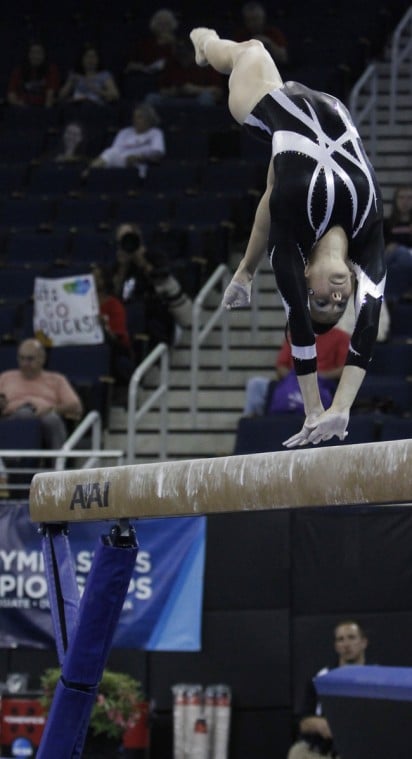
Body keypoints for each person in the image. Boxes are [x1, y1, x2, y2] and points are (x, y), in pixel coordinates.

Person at [189, 28, 386, 447]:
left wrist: (315, 408)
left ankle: (202, 41)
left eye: (320, 301)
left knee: (250, 50)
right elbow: (366, 330)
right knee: (274, 191)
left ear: (304, 273)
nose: (335, 297)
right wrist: (342, 408)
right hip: (318, 113)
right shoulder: (366, 235)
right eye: (339, 303)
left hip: (269, 107)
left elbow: (298, 322)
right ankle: (242, 270)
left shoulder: (289, 244)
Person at [287, 620, 368, 759]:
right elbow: (302, 721)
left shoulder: (376, 678)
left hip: (360, 747)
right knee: (298, 751)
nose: (346, 644)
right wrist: (318, 724)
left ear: (363, 643)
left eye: (351, 637)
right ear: (336, 646)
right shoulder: (320, 678)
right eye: (341, 639)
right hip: (322, 748)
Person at [244, 327, 350, 416]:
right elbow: (281, 367)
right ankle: (252, 426)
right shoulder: (295, 334)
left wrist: (316, 377)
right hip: (294, 381)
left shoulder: (341, 336)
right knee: (255, 384)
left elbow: (345, 369)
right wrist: (299, 378)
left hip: (322, 384)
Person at [0, 339, 83, 449]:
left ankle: (59, 461)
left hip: (45, 417)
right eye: (21, 358)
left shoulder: (56, 379)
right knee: (25, 414)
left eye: (30, 359)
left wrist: (53, 409)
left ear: (42, 359)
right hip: (12, 418)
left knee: (52, 419)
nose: (25, 363)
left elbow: (76, 406)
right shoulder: (6, 377)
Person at [86, 103, 165, 179]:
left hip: (139, 163)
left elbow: (158, 151)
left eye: (139, 117)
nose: (135, 120)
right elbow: (116, 149)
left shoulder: (155, 132)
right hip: (120, 160)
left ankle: (89, 173)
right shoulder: (125, 132)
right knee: (110, 152)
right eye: (134, 117)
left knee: (110, 154)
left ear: (148, 119)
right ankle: (91, 172)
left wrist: (139, 157)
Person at [145, 39, 224, 108]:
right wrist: (173, 91)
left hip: (197, 100)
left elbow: (218, 91)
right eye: (180, 54)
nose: (183, 57)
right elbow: (162, 89)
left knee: (206, 98)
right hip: (173, 100)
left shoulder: (206, 64)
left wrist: (196, 89)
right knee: (151, 98)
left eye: (186, 54)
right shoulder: (171, 64)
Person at [92, 264, 134, 384]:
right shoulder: (80, 304)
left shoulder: (114, 305)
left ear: (105, 281)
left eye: (97, 277)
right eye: (91, 277)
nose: (93, 280)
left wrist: (104, 326)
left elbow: (118, 337)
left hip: (112, 348)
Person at [7, 40, 60, 108]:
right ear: (28, 54)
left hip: (43, 109)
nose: (36, 56)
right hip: (22, 109)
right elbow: (11, 93)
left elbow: (50, 95)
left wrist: (45, 114)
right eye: (33, 53)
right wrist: (18, 105)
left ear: (44, 55)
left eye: (39, 53)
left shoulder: (51, 70)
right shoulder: (18, 71)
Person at [235, 1, 288, 66]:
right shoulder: (241, 35)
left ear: (263, 18)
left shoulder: (273, 32)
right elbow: (235, 62)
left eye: (255, 19)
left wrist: (268, 43)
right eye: (248, 20)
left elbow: (283, 58)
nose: (252, 23)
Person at [383, 184, 412, 302]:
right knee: (399, 253)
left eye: (409, 198)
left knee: (402, 257)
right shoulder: (386, 224)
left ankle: (391, 297)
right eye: (401, 197)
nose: (405, 202)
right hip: (390, 258)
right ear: (395, 201)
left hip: (405, 262)